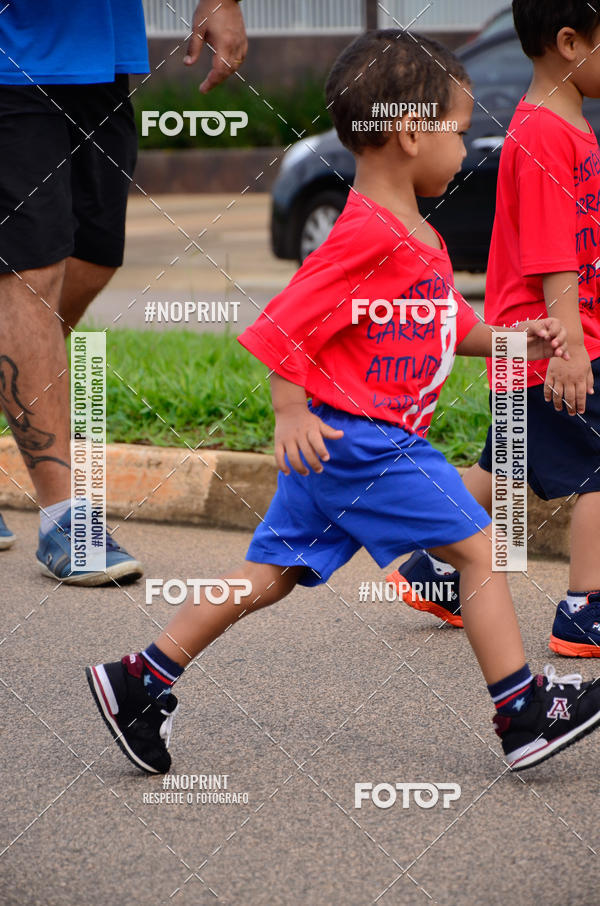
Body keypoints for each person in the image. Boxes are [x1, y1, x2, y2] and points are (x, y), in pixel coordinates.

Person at [85, 30, 600, 776]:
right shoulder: (364, 235)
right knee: (478, 550)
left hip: (344, 448)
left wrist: (528, 343)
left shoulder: (415, 235)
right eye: (456, 133)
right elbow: (281, 328)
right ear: (407, 133)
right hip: (368, 442)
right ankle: (520, 711)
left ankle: (139, 679)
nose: (465, 149)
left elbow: (454, 328)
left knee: (270, 575)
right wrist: (289, 412)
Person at [0, 0, 247, 584]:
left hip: (102, 52)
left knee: (94, 255)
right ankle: (65, 518)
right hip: (11, 58)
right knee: (31, 271)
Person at [392, 0, 600, 657]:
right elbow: (550, 256)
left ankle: (436, 570)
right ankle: (585, 610)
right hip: (553, 342)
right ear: (570, 42)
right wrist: (570, 349)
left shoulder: (570, 126)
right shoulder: (544, 134)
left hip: (541, 340)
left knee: (504, 461)